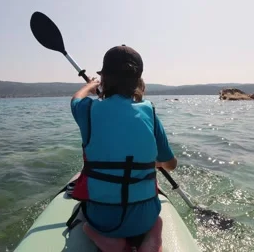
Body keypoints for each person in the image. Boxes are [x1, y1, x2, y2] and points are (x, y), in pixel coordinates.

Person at [69, 44, 177, 252]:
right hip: (144, 218)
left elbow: (75, 100)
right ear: (138, 80)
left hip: (103, 220)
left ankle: (109, 241)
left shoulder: (88, 110)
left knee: (85, 221)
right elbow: (171, 165)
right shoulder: (150, 113)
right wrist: (154, 163)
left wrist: (91, 86)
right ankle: (152, 237)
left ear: (104, 79)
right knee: (157, 220)